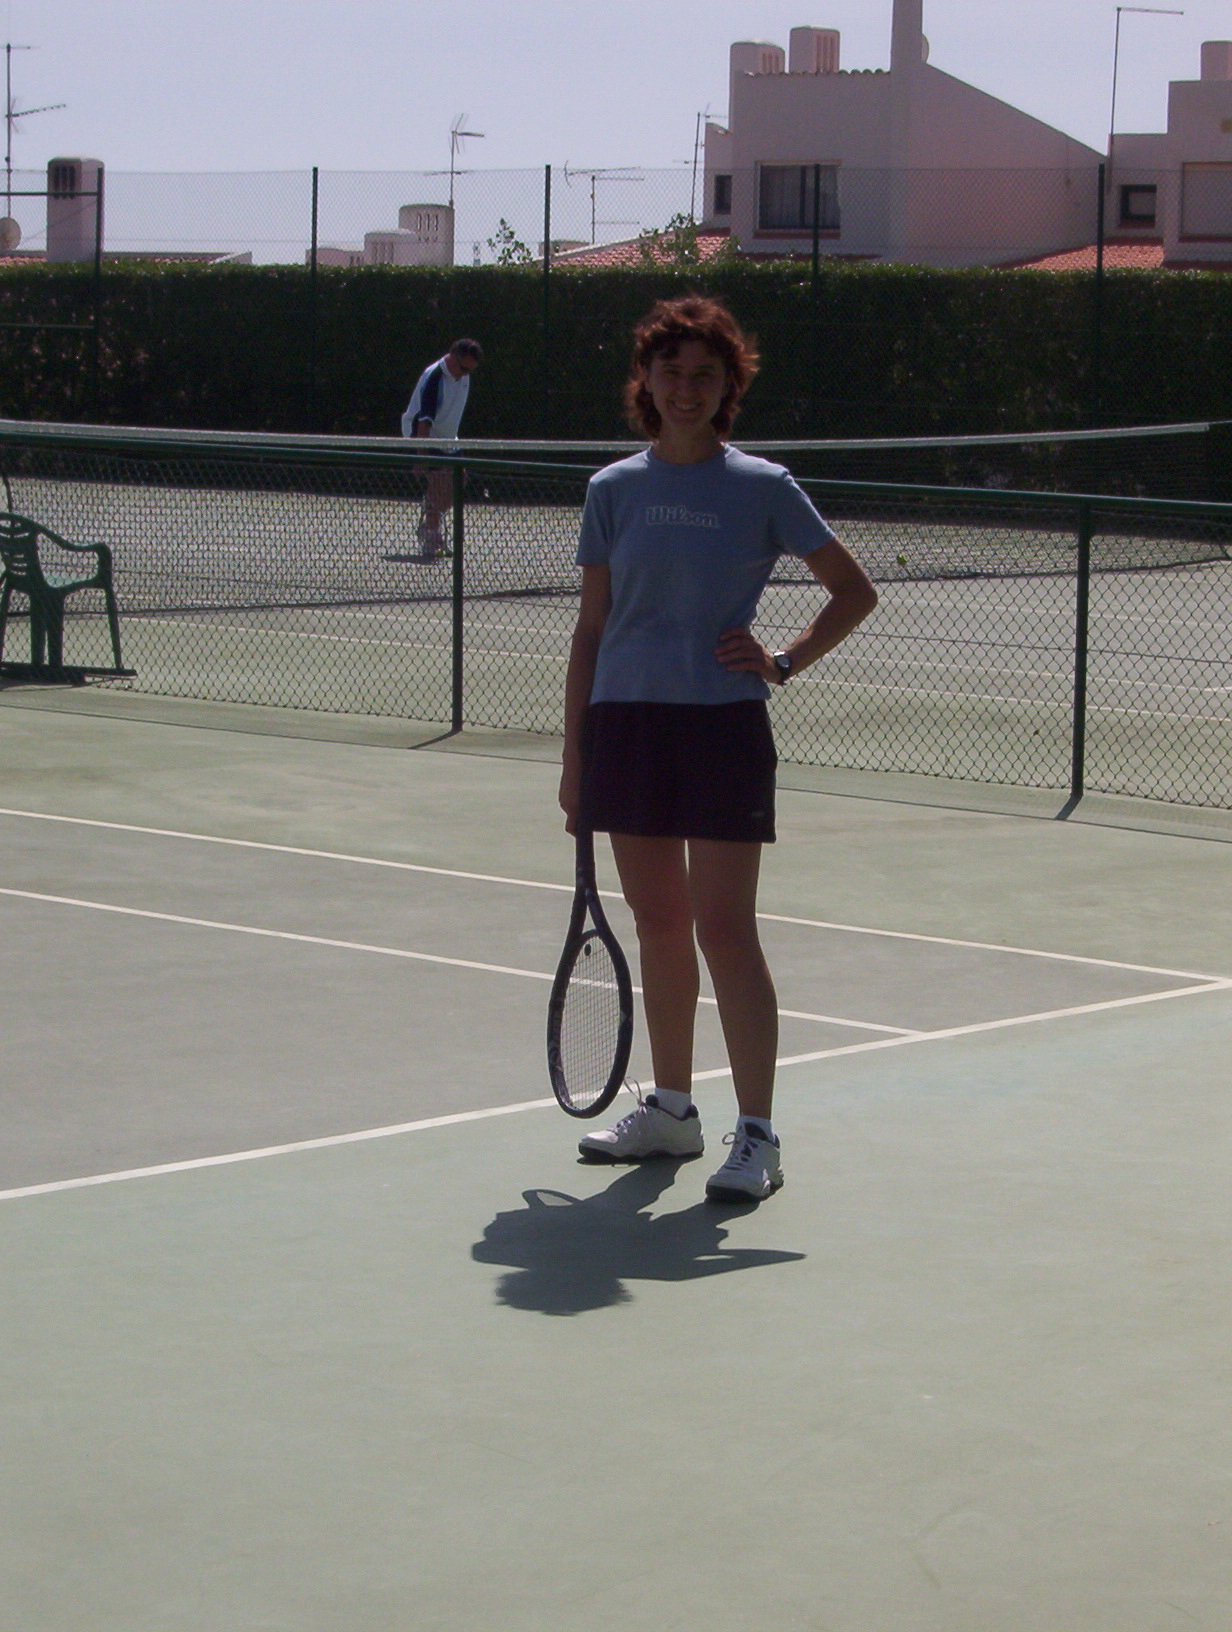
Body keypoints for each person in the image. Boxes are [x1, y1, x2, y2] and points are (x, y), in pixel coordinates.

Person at [558, 295, 878, 1202]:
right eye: (672, 373)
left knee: (725, 928)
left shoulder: (764, 487)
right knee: (660, 923)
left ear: (728, 385)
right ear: (646, 382)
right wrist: (576, 761)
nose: (687, 389)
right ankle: (670, 1111)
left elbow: (853, 590)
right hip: (627, 726)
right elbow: (591, 631)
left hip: (721, 728)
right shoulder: (611, 490)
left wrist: (784, 661)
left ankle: (758, 1137)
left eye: (706, 375)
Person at [400, 337, 483, 557]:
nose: (465, 374)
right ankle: (431, 534)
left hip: (448, 438)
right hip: (424, 435)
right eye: (463, 368)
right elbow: (423, 423)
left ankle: (430, 515)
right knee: (438, 484)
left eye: (470, 371)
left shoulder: (463, 375)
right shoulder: (434, 378)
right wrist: (421, 458)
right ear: (452, 357)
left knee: (459, 480)